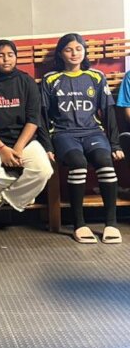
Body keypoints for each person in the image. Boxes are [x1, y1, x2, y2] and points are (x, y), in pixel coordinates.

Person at [41, 33, 123, 243]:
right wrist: (47, 146)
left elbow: (108, 111)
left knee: (105, 161)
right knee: (78, 163)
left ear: (85, 51)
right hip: (63, 133)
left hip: (93, 132)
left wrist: (115, 144)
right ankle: (79, 224)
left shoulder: (96, 77)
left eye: (78, 49)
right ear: (61, 53)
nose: (74, 53)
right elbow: (42, 116)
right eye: (68, 49)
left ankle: (111, 224)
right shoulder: (50, 79)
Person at [0, 40, 53, 213]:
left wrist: (18, 147)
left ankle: (3, 197)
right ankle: (26, 193)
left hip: (24, 141)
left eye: (10, 55)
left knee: (44, 171)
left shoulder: (26, 81)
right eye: (0, 55)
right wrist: (2, 149)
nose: (6, 59)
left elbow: (34, 119)